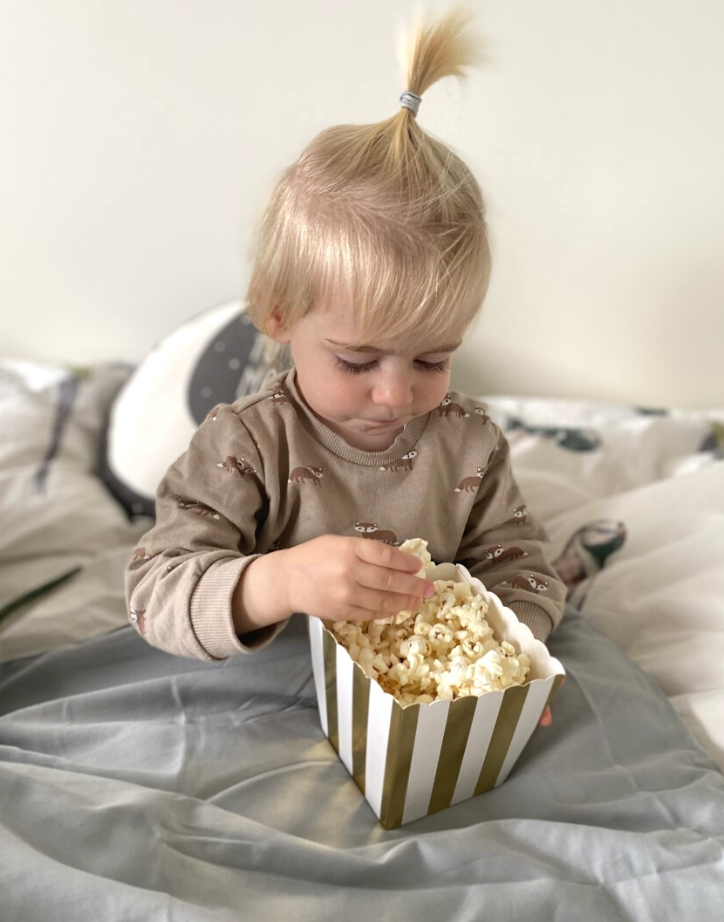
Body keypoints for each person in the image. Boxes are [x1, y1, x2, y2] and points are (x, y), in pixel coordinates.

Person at [126, 8, 567, 725]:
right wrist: (276, 582)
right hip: (266, 695)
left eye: (433, 357)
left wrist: (507, 649)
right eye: (357, 360)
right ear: (276, 316)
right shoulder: (245, 445)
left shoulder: (469, 445)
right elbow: (154, 592)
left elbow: (520, 568)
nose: (396, 394)